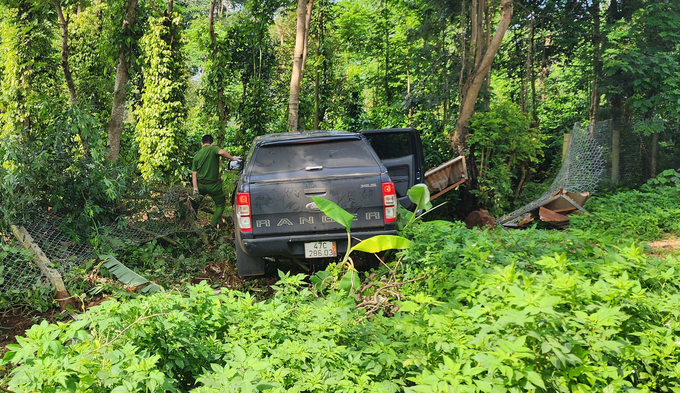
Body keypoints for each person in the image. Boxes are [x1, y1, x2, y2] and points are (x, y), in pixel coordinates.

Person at [191, 134, 237, 229]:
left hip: (201, 186)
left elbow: (194, 175)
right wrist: (233, 158)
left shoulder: (196, 156)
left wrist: (195, 189)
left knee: (194, 205)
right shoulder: (213, 148)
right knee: (220, 205)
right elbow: (222, 152)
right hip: (213, 186)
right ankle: (212, 226)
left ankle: (193, 223)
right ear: (212, 143)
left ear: (201, 143)